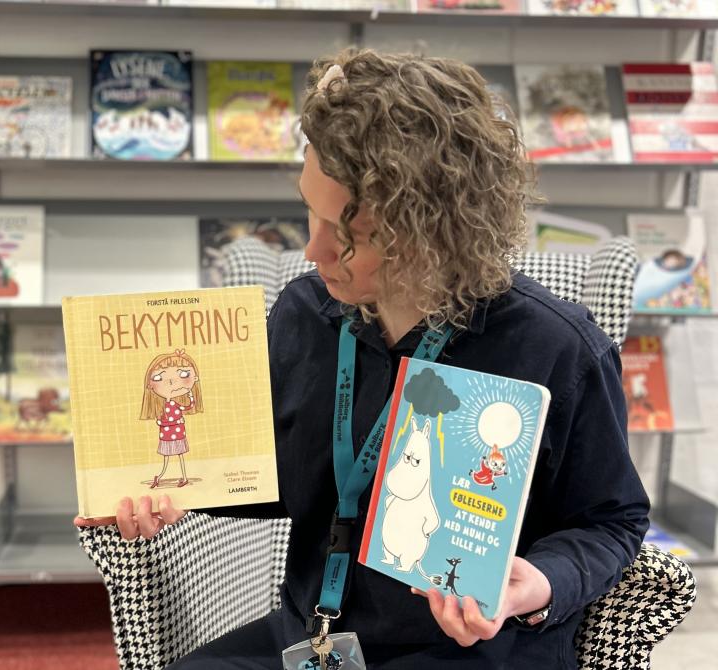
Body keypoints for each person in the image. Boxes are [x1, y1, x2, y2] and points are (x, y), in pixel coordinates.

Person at [76, 48, 650, 669]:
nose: (313, 250)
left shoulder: (556, 348)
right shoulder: (305, 314)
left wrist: (539, 583)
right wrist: (173, 489)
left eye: (350, 236)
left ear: (436, 235)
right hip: (313, 639)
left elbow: (612, 519)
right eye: (311, 212)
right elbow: (273, 475)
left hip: (472, 651)